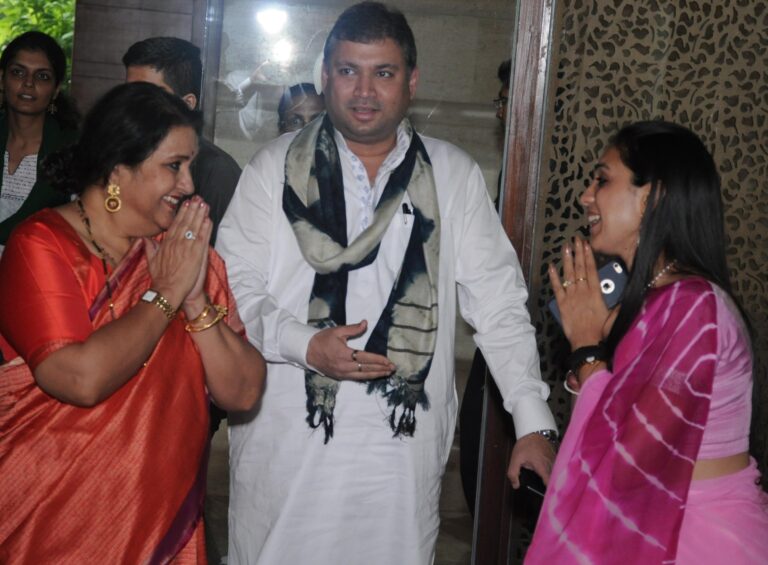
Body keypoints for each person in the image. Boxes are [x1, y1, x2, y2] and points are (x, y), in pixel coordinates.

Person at [216, 3, 557, 563]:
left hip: (400, 456)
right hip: (287, 451)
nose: (364, 90)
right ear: (325, 76)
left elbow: (498, 305)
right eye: (348, 71)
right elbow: (233, 291)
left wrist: (532, 422)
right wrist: (305, 345)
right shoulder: (270, 169)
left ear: (412, 82)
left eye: (384, 72)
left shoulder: (452, 174)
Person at [0, 82, 266, 563]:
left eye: (190, 166)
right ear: (118, 169)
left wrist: (194, 299)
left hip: (159, 526)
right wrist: (164, 293)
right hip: (50, 526)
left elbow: (243, 392)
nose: (188, 185)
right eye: (173, 166)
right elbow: (78, 378)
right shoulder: (41, 246)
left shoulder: (187, 255)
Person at [526, 121, 768, 563]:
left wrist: (586, 348)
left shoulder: (695, 308)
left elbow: (635, 455)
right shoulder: (657, 300)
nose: (585, 196)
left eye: (602, 179)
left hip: (697, 538)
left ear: (651, 197)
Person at [459, 56, 513, 516]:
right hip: (493, 331)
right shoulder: (509, 170)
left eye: (505, 101)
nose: (501, 113)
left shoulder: (542, 174)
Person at [123, 36, 241, 245]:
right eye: (128, 94)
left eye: (148, 97)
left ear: (186, 104)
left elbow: (222, 266)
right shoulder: (121, 154)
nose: (133, 106)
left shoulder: (216, 171)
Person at [0, 31, 79, 248]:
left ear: (55, 90)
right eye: (18, 72)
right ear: (2, 79)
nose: (28, 83)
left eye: (42, 76)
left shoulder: (73, 150)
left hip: (37, 269)